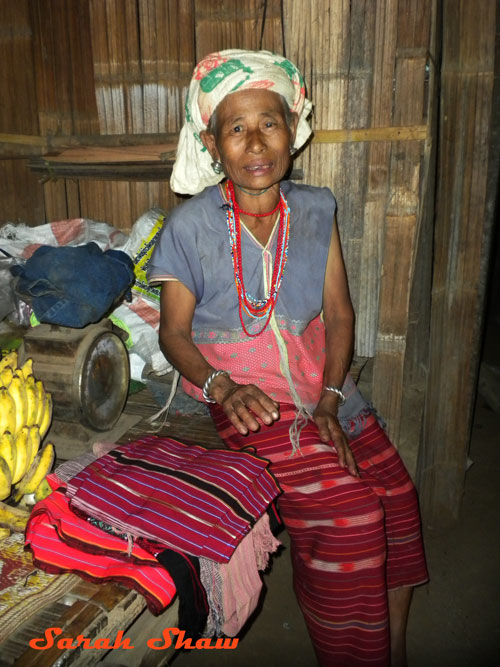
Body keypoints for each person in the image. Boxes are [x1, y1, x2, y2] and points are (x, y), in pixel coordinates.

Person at [147, 49, 428, 667]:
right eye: (236, 128)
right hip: (249, 397)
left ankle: (393, 649)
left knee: (399, 501)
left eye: (269, 123)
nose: (255, 142)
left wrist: (330, 397)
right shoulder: (190, 227)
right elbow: (174, 335)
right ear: (212, 143)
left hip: (323, 388)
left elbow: (342, 316)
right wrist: (220, 387)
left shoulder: (315, 210)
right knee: (350, 516)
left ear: (292, 132)